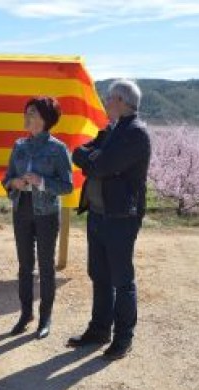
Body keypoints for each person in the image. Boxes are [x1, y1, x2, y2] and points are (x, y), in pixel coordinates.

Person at [67, 79, 151, 360]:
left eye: (109, 98)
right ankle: (99, 329)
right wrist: (94, 157)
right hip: (100, 213)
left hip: (120, 217)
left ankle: (123, 338)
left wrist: (94, 159)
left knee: (121, 279)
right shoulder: (113, 130)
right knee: (99, 275)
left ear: (121, 101)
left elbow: (101, 165)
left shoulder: (135, 133)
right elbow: (79, 152)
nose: (105, 101)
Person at [2, 97, 73, 339]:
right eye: (26, 111)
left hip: (47, 215)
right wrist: (14, 182)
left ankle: (45, 317)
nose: (27, 116)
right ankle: (25, 314)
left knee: (45, 266)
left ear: (45, 118)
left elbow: (67, 186)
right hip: (21, 211)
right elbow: (6, 179)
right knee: (24, 266)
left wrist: (41, 182)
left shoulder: (58, 149)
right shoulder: (19, 145)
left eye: (32, 112)